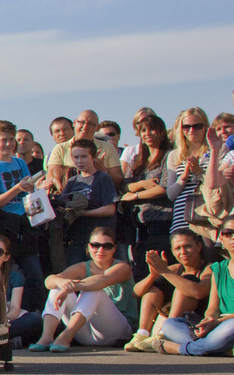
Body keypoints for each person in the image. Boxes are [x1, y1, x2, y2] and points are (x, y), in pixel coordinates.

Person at [154, 216, 234, 356]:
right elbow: (213, 308)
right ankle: (226, 350)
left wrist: (218, 322)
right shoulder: (219, 268)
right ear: (221, 238)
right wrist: (208, 320)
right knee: (170, 324)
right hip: (220, 325)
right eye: (228, 233)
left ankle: (180, 348)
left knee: (233, 326)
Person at [31, 227, 135, 350]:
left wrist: (70, 287)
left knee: (93, 289)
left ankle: (65, 337)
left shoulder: (122, 267)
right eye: (95, 245)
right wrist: (61, 282)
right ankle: (47, 337)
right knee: (57, 287)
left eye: (107, 246)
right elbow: (49, 281)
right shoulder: (82, 267)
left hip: (118, 332)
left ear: (114, 249)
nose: (100, 250)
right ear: (89, 247)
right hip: (86, 333)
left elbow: (101, 280)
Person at [0, 120, 45, 310]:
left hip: (24, 224)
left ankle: (36, 315)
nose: (8, 144)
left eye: (11, 140)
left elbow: (28, 192)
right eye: (4, 140)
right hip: (3, 226)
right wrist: (17, 188)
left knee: (35, 275)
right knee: (4, 275)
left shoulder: (19, 163)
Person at [124, 230, 209, 351]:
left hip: (195, 322)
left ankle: (166, 334)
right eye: (178, 248)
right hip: (168, 320)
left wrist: (165, 271)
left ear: (199, 246)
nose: (183, 252)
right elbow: (135, 293)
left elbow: (199, 292)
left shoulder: (209, 268)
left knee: (186, 284)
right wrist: (152, 276)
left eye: (188, 246)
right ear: (173, 252)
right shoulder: (175, 268)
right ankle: (142, 333)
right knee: (152, 289)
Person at [118, 114, 173, 246]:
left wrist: (135, 195)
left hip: (161, 218)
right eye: (143, 130)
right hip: (136, 218)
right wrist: (142, 184)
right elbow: (125, 186)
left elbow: (163, 188)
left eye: (152, 129)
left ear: (162, 132)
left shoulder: (169, 155)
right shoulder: (137, 158)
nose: (147, 134)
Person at [59, 139, 117, 263]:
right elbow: (64, 203)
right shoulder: (72, 181)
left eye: (84, 156)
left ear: (94, 157)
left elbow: (110, 209)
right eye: (76, 157)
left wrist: (82, 213)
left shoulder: (103, 178)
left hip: (98, 241)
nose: (80, 161)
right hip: (77, 237)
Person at [167, 106, 211, 238]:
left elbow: (222, 184)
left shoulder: (215, 150)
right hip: (182, 217)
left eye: (197, 126)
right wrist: (184, 176)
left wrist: (198, 172)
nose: (191, 130)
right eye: (186, 127)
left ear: (205, 127)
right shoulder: (175, 155)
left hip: (208, 214)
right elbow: (171, 194)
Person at [0, 232, 43, 347]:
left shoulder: (14, 277)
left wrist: (5, 323)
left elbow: (15, 308)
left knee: (35, 319)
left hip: (6, 322)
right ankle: (5, 341)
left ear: (6, 257)